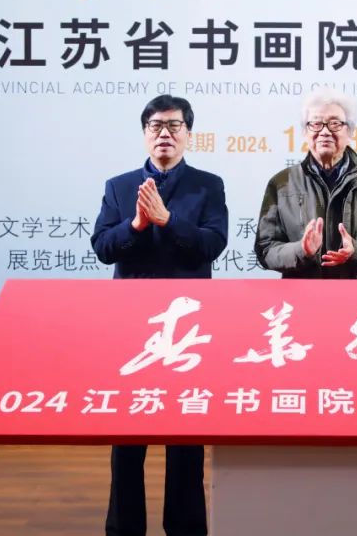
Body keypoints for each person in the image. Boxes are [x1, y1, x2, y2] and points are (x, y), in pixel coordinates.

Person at [90, 94, 228, 536]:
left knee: (186, 436)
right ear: (145, 134)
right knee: (127, 439)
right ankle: (124, 528)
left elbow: (213, 245)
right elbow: (102, 247)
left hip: (188, 328)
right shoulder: (119, 186)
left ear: (188, 134)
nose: (164, 133)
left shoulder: (208, 185)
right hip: (131, 327)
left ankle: (186, 527)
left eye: (174, 125)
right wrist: (135, 225)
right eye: (155, 126)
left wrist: (168, 220)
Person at [255, 87, 357, 278]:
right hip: (305, 291)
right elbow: (266, 249)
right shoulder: (282, 183)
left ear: (350, 131)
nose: (325, 131)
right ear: (304, 132)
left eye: (335, 124)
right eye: (316, 124)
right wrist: (302, 250)